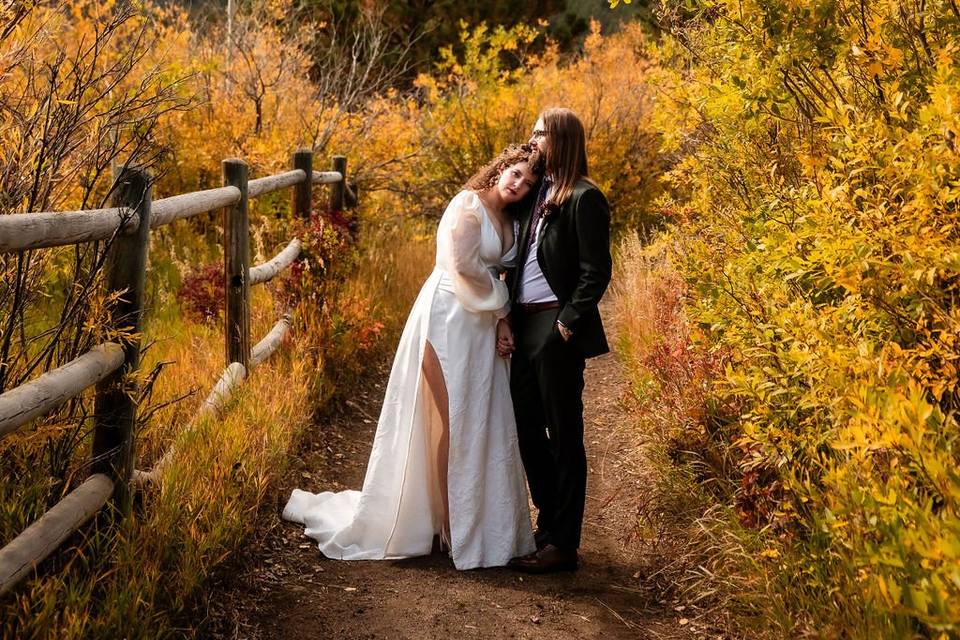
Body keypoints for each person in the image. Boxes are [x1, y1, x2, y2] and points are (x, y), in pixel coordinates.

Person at [283, 145, 543, 570]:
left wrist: (500, 321)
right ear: (502, 168)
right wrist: (500, 309)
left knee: (481, 421)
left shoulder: (512, 220)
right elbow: (462, 266)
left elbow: (499, 274)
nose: (519, 186)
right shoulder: (467, 204)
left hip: (481, 327)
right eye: (516, 174)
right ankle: (449, 525)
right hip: (448, 318)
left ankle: (467, 518)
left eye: (528, 184)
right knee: (451, 418)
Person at [500, 107, 612, 574]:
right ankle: (547, 525)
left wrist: (566, 325)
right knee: (527, 429)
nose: (533, 139)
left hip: (555, 326)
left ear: (561, 140)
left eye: (541, 133)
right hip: (523, 323)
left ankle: (565, 543)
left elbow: (596, 271)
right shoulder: (534, 193)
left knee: (564, 434)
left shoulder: (586, 198)